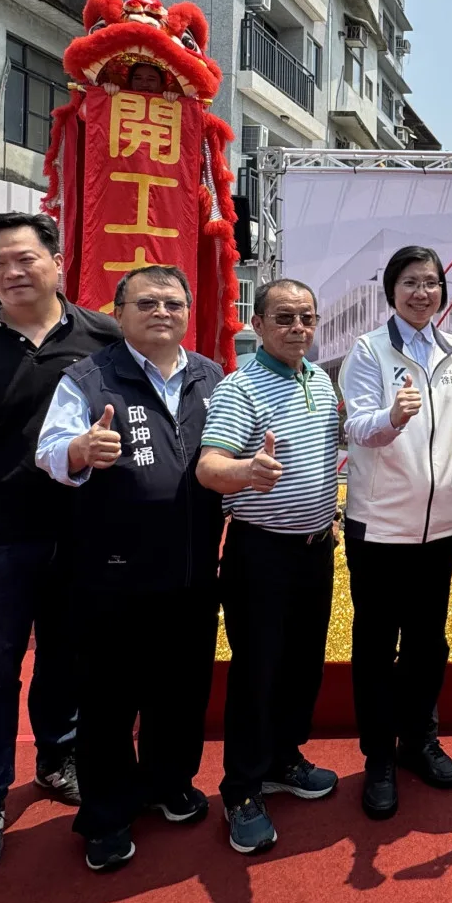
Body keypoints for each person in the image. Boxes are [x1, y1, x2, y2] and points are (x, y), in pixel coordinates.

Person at [0, 211, 119, 875]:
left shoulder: (104, 336)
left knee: (69, 661)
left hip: (84, 530)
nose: (11, 272)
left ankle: (58, 758)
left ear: (57, 262)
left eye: (24, 258)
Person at [35, 266, 224, 871]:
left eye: (173, 303)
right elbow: (48, 451)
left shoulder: (210, 376)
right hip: (113, 575)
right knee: (109, 700)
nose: (162, 312)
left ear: (188, 312)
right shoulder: (89, 378)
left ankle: (170, 783)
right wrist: (80, 450)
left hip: (192, 570)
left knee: (182, 689)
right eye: (146, 303)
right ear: (118, 314)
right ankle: (107, 813)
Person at [197, 278, 344, 854]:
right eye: (284, 318)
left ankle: (283, 758)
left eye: (306, 317)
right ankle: (241, 789)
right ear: (256, 325)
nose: (298, 328)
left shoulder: (319, 379)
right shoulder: (240, 387)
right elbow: (209, 466)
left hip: (315, 548)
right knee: (257, 672)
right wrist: (246, 472)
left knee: (303, 664)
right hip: (261, 554)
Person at [339, 245, 452, 820]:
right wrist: (392, 418)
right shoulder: (369, 350)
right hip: (380, 527)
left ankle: (418, 740)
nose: (423, 293)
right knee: (375, 647)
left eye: (432, 283)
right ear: (391, 291)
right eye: (411, 283)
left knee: (428, 643)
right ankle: (379, 758)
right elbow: (355, 427)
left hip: (440, 529)